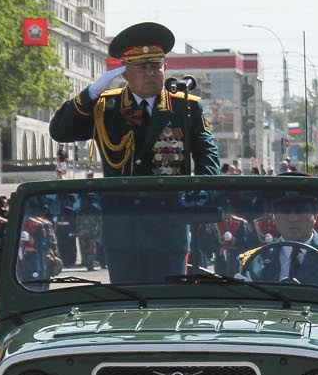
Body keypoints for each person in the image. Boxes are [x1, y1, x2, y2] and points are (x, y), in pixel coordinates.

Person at [48, 22, 218, 283]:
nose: (151, 73)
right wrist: (90, 93)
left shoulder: (185, 108)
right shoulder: (107, 107)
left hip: (169, 227)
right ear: (126, 73)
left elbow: (207, 154)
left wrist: (200, 198)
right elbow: (60, 131)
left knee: (167, 308)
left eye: (156, 66)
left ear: (165, 68)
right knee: (125, 306)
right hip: (122, 229)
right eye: (142, 67)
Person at [238, 194, 318, 289]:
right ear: (275, 218)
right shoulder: (253, 261)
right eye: (285, 212)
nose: (293, 218)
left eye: (301, 211)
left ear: (315, 216)